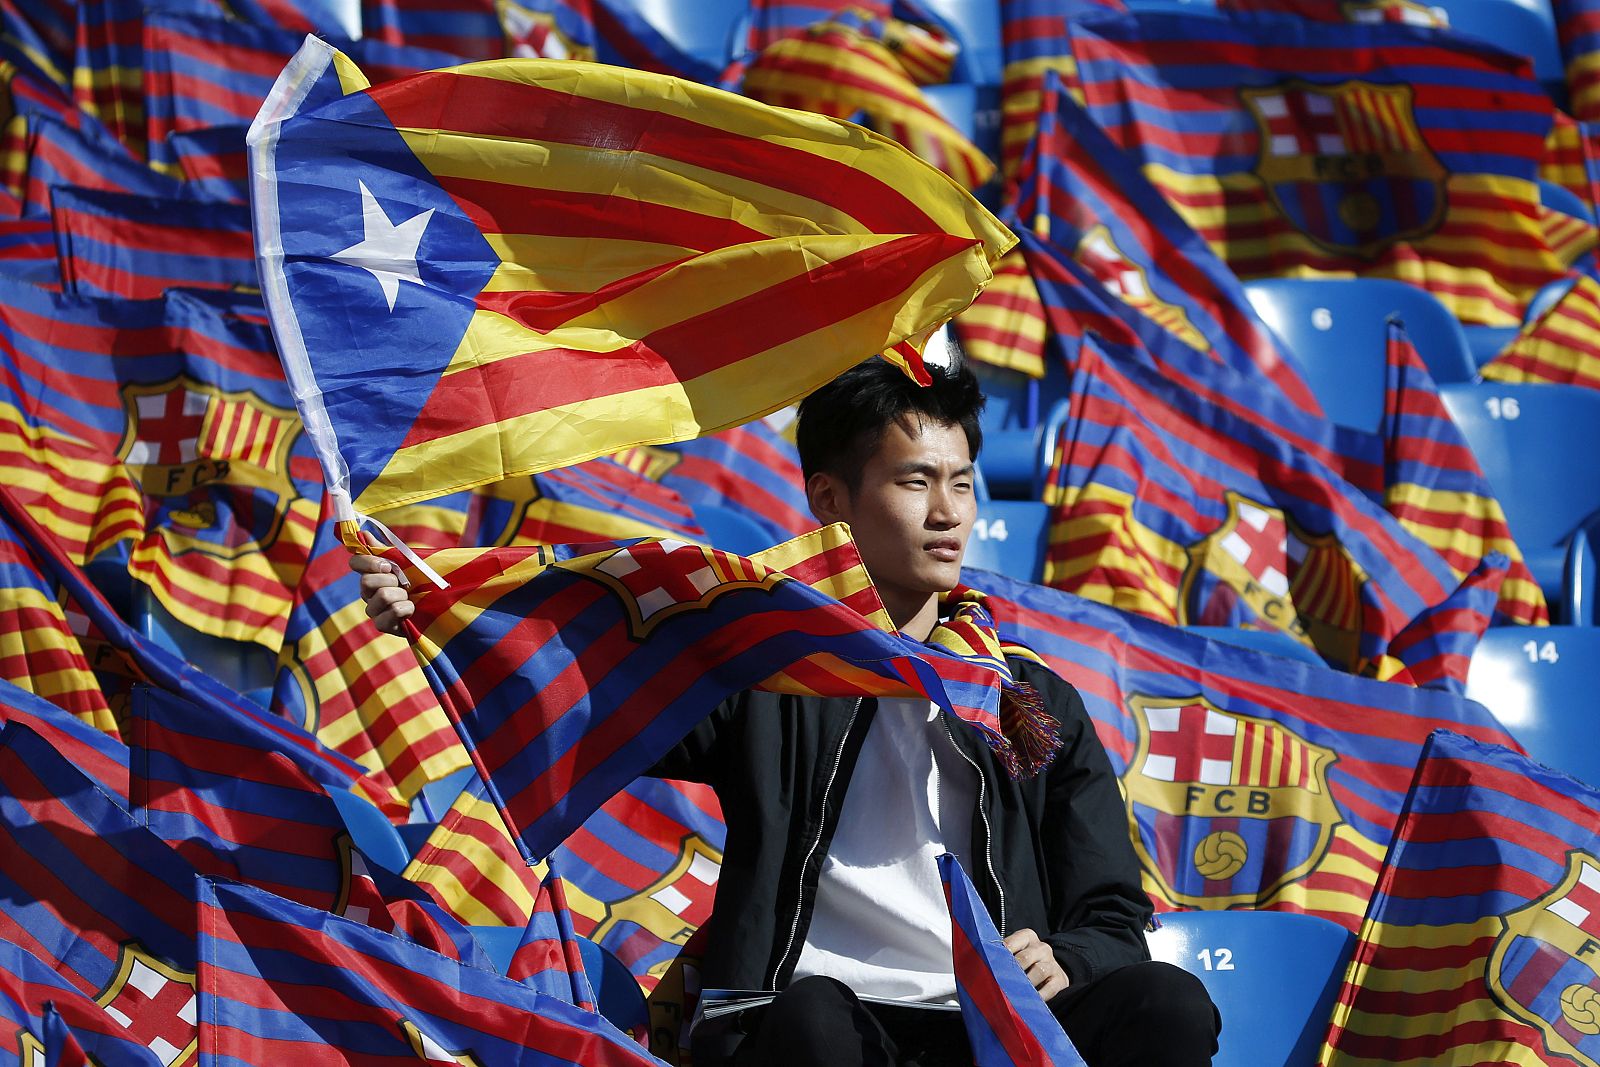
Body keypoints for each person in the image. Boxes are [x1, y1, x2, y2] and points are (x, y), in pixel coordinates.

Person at [355, 358, 1219, 1066]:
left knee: (1169, 1002)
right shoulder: (768, 669)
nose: (948, 512)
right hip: (811, 1023)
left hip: (994, 1025)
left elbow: (1113, 913)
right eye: (916, 480)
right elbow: (593, 685)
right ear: (830, 499)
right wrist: (440, 615)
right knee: (814, 1021)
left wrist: (1065, 957)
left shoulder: (1029, 698)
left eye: (961, 482)